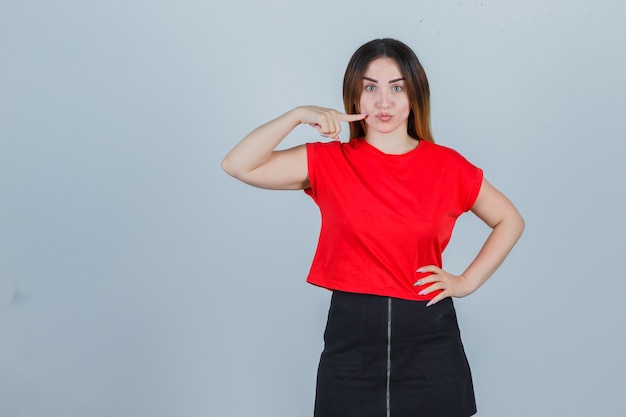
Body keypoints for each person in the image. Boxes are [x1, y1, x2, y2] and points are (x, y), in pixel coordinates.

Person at [222, 38, 524, 417]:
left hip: (430, 340)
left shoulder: (448, 166)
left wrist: (466, 282)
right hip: (351, 342)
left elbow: (509, 219)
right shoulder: (329, 162)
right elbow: (238, 165)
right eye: (371, 87)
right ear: (355, 96)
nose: (384, 102)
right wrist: (298, 114)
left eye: (397, 87)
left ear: (414, 94)